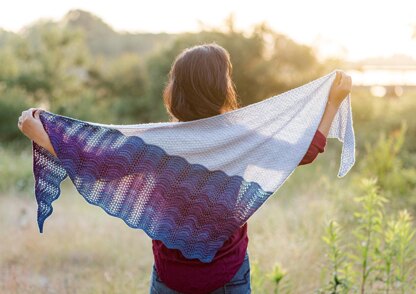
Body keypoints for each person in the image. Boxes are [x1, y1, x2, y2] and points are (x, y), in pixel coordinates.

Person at [18, 43, 352, 294]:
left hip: (170, 280)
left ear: (175, 90)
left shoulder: (159, 142)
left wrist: (41, 135)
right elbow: (305, 151)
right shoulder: (241, 139)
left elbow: (96, 162)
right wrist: (333, 100)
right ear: (221, 89)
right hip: (229, 276)